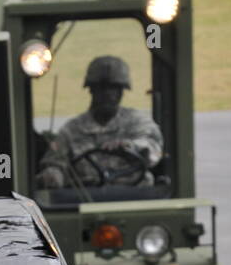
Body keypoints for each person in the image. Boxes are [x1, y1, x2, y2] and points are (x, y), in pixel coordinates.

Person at [37, 55, 163, 190]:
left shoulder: (137, 122)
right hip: (87, 201)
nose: (109, 94)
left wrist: (129, 146)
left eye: (114, 88)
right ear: (91, 90)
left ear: (122, 92)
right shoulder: (71, 131)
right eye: (102, 88)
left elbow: (153, 148)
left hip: (135, 199)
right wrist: (53, 176)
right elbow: (55, 165)